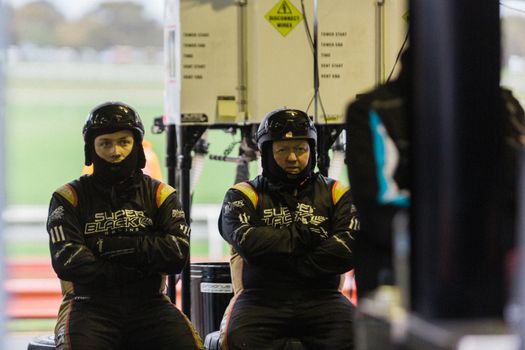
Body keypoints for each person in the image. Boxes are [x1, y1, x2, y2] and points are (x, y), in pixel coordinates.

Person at [46, 101, 204, 350]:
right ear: (91, 148)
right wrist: (143, 258)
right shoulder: (67, 197)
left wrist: (106, 247)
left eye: (123, 142)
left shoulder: (161, 194)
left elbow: (176, 256)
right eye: (105, 143)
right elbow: (68, 263)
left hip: (151, 304)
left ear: (136, 145)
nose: (115, 152)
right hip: (88, 305)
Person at [218, 107, 359, 349]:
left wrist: (279, 259)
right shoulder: (242, 194)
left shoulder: (338, 193)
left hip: (324, 299)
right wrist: (307, 237)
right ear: (266, 152)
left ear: (312, 150)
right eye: (282, 150)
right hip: (260, 299)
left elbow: (348, 250)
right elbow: (248, 243)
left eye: (300, 149)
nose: (293, 158)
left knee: (360, 336)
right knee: (237, 340)